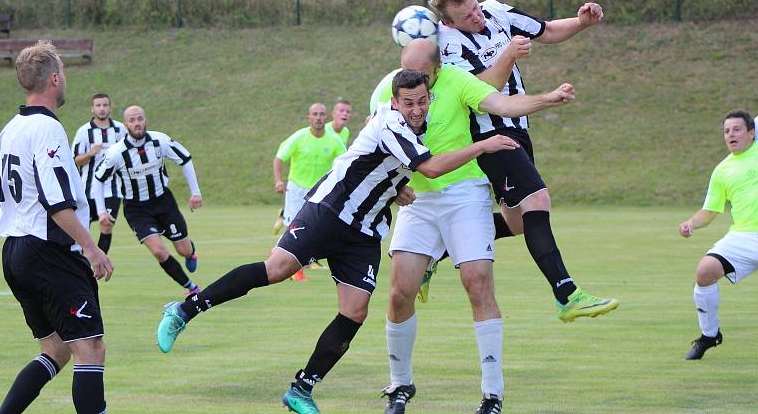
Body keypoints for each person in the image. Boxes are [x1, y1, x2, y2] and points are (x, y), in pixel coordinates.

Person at [155, 70, 521, 414]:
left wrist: (396, 189)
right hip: (329, 209)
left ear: (430, 99)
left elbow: (382, 164)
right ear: (395, 103)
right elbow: (430, 167)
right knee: (277, 269)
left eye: (422, 101)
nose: (416, 109)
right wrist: (482, 146)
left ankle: (302, 387)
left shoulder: (422, 128)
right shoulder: (390, 122)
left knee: (355, 311)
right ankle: (184, 310)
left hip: (364, 231)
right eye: (408, 102)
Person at [373, 39, 575, 414]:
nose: (411, 80)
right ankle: (400, 386)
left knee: (477, 284)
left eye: (420, 74)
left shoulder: (459, 81)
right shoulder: (394, 87)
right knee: (400, 292)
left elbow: (503, 104)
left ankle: (492, 394)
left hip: (465, 195)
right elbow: (375, 139)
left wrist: (548, 98)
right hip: (419, 201)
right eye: (404, 69)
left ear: (437, 68)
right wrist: (395, 184)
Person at [429, 0, 618, 322]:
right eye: (466, 16)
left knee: (518, 222)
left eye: (474, 6)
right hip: (488, 134)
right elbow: (483, 92)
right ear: (449, 22)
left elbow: (545, 31)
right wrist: (508, 55)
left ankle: (433, 249)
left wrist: (581, 23)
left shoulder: (496, 11)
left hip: (518, 127)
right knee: (537, 200)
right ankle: (567, 294)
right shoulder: (448, 46)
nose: (476, 16)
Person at [0, 40, 113, 414]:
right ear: (55, 79)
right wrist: (92, 248)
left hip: (14, 250)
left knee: (56, 349)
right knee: (89, 347)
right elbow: (56, 201)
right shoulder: (47, 130)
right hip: (48, 251)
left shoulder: (10, 129)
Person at [92, 105, 203, 297]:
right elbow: (98, 179)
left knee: (183, 249)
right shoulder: (117, 153)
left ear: (146, 121)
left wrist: (196, 192)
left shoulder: (160, 141)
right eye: (132, 120)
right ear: (126, 124)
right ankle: (192, 288)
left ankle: (191, 252)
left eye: (140, 119)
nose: (137, 123)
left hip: (163, 201)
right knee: (159, 251)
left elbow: (185, 159)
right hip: (136, 209)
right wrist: (102, 211)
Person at [679, 110, 758, 360]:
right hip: (744, 237)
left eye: (736, 129)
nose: (731, 134)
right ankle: (709, 335)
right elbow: (711, 210)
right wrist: (692, 222)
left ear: (751, 134)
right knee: (705, 271)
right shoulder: (722, 170)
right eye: (726, 131)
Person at [272, 103, 347, 249]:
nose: (318, 118)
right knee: (293, 226)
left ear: (327, 117)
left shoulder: (335, 140)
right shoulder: (299, 137)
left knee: (317, 227)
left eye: (321, 114)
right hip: (297, 188)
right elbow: (279, 159)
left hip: (320, 190)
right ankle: (280, 256)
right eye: (315, 114)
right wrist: (278, 181)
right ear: (308, 118)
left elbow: (347, 162)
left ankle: (304, 260)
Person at [72, 93, 126, 254]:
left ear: (110, 107)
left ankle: (98, 264)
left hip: (112, 189)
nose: (102, 109)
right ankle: (82, 265)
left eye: (105, 105)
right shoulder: (84, 132)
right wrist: (90, 154)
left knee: (106, 224)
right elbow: (75, 160)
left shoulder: (120, 130)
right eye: (98, 105)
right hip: (87, 190)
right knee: (82, 232)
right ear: (92, 108)